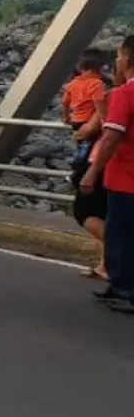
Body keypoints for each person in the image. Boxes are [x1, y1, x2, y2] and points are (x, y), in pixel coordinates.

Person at [80, 34, 134, 313]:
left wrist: (92, 172)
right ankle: (119, 284)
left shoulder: (125, 94)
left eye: (119, 56)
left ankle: (126, 289)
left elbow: (112, 137)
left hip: (125, 178)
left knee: (121, 235)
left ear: (127, 59)